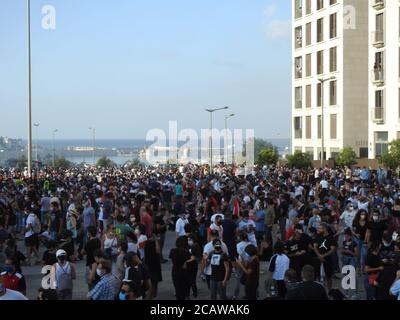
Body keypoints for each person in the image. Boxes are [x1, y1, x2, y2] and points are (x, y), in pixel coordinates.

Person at [313, 223, 337, 291]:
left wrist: (323, 255)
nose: (318, 229)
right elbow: (315, 246)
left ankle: (329, 291)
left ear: (325, 229)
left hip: (328, 259)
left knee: (328, 276)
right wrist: (319, 255)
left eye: (320, 228)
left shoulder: (331, 237)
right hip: (318, 258)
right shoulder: (318, 236)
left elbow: (332, 249)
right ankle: (317, 290)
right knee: (317, 275)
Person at [169, 236, 193, 300]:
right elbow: (190, 260)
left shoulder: (172, 251)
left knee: (177, 288)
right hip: (184, 272)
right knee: (184, 288)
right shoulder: (186, 252)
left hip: (175, 271)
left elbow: (172, 260)